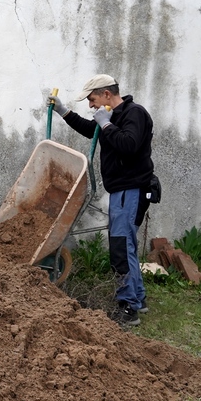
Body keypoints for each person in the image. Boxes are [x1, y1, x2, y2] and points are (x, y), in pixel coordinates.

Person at [51, 75, 154, 327]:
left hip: (131, 189)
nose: (91, 105)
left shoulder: (134, 114)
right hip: (123, 190)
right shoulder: (113, 117)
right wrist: (63, 111)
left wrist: (107, 125)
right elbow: (92, 130)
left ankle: (128, 308)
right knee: (126, 243)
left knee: (120, 245)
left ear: (107, 94)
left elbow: (128, 145)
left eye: (92, 99)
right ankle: (138, 299)